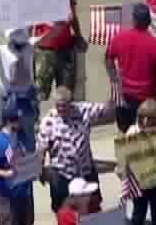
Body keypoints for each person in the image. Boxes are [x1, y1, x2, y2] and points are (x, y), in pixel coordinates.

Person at [38, 84, 111, 212]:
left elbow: (106, 110)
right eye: (58, 105)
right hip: (62, 174)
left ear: (71, 103)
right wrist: (41, 171)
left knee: (93, 207)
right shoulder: (47, 122)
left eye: (64, 105)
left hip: (85, 170)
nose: (61, 109)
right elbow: (41, 150)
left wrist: (115, 88)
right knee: (63, 211)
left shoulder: (83, 110)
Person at [106, 5, 156, 129]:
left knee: (127, 134)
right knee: (154, 131)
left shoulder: (119, 38)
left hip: (125, 95)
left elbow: (109, 59)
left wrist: (113, 77)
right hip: (150, 98)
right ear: (149, 22)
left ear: (133, 20)